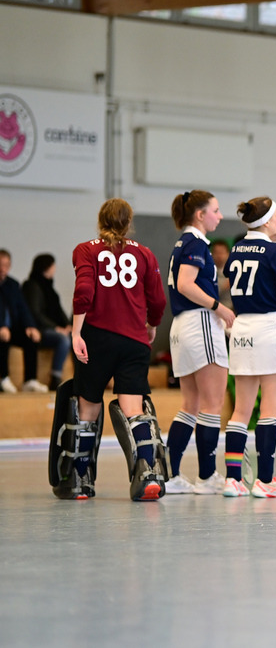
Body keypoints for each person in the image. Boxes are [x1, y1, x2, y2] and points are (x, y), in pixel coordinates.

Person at [70, 199, 168, 499]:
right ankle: (148, 474)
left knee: (88, 407)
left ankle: (81, 479)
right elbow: (158, 300)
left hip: (97, 337)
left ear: (101, 220)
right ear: (129, 223)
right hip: (134, 340)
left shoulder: (86, 249)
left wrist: (76, 332)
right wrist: (152, 324)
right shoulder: (144, 253)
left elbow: (85, 290)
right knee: (133, 410)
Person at [222, 196, 276, 498]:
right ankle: (265, 480)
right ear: (267, 221)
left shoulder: (237, 247)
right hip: (270, 327)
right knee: (268, 410)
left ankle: (232, 479)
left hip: (241, 329)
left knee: (241, 410)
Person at [163, 190, 236, 495]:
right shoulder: (195, 244)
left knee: (191, 405)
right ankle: (207, 476)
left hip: (183, 327)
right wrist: (219, 308)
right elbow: (184, 284)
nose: (219, 216)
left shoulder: (184, 243)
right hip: (199, 324)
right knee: (212, 405)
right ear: (199, 214)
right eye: (215, 211)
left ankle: (171, 474)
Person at [22, 253, 73, 390]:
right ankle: (55, 377)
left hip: (53, 328)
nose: (55, 268)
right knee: (63, 339)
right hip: (40, 330)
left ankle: (80, 377)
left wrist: (68, 325)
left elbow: (59, 310)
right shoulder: (32, 286)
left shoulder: (50, 288)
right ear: (47, 267)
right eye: (53, 265)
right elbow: (35, 313)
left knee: (76, 338)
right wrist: (56, 328)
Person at [0, 249, 47, 393]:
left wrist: (30, 326)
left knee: (30, 338)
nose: (3, 269)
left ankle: (30, 380)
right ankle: (3, 378)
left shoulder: (13, 284)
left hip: (11, 329)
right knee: (2, 340)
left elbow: (23, 308)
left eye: (6, 265)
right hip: (2, 330)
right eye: (1, 264)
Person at [209, 238, 233, 310]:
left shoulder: (233, 271)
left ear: (228, 254)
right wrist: (224, 285)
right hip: (213, 310)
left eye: (222, 252)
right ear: (211, 254)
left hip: (232, 311)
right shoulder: (207, 273)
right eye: (216, 253)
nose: (219, 256)